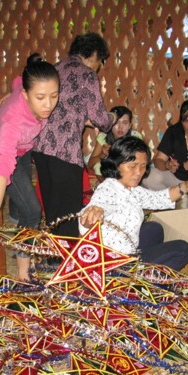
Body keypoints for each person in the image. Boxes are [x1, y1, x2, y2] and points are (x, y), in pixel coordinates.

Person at [0, 53, 60, 281]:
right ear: (26, 95)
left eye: (54, 96)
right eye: (40, 97)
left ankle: (20, 237)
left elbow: (17, 80)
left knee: (20, 206)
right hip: (1, 151)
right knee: (32, 211)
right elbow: (3, 166)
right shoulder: (13, 122)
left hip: (24, 149)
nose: (48, 104)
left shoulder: (25, 89)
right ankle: (24, 271)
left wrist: (13, 90)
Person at [33, 32, 117, 238]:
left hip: (41, 148)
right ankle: (68, 251)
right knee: (69, 212)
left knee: (52, 208)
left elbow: (64, 108)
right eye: (100, 60)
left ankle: (54, 249)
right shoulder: (87, 74)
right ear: (94, 54)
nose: (99, 66)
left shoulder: (54, 69)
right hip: (65, 152)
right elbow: (100, 119)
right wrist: (113, 117)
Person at [79, 136, 188, 270]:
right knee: (182, 249)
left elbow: (157, 198)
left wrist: (184, 187)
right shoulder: (107, 190)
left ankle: (142, 268)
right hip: (114, 264)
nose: (138, 172)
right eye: (132, 166)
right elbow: (96, 208)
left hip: (129, 249)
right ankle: (139, 278)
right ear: (116, 164)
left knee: (154, 229)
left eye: (143, 166)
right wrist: (91, 216)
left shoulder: (131, 189)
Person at [142, 99, 188, 193]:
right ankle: (169, 198)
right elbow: (159, 160)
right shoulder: (173, 131)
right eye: (186, 120)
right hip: (173, 179)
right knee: (149, 177)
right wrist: (167, 165)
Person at [87, 105, 143, 177]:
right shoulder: (103, 137)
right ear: (110, 124)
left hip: (129, 173)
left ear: (130, 125)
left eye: (124, 123)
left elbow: (141, 161)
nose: (120, 127)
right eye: (116, 123)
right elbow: (89, 165)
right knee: (99, 166)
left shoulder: (135, 137)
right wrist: (102, 154)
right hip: (109, 176)